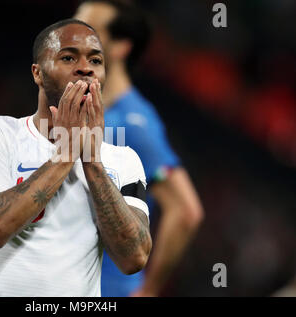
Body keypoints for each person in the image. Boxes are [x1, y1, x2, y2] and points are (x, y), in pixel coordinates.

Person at [0, 18, 152, 297]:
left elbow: (134, 257)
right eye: (68, 57)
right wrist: (66, 153)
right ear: (38, 73)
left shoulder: (124, 159)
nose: (85, 67)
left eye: (96, 60)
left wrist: (93, 162)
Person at [74, 0, 204, 297]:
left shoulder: (134, 122)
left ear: (120, 47)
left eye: (89, 31)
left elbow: (185, 210)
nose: (73, 37)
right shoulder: (81, 110)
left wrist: (148, 291)